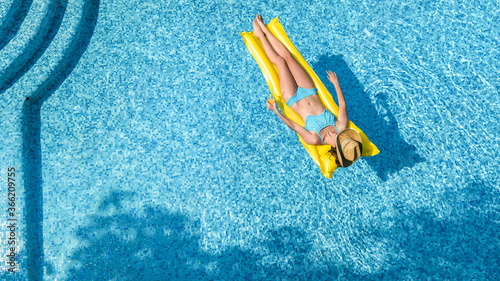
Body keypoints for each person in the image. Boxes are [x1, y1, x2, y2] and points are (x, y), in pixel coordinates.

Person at [253, 15, 362, 167]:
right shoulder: (341, 126)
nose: (344, 136)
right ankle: (264, 28)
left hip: (292, 98)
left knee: (280, 62)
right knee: (288, 57)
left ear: (337, 147)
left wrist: (276, 111)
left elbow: (295, 126)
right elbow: (342, 105)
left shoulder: (315, 139)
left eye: (343, 141)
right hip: (309, 90)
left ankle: (260, 36)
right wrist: (336, 84)